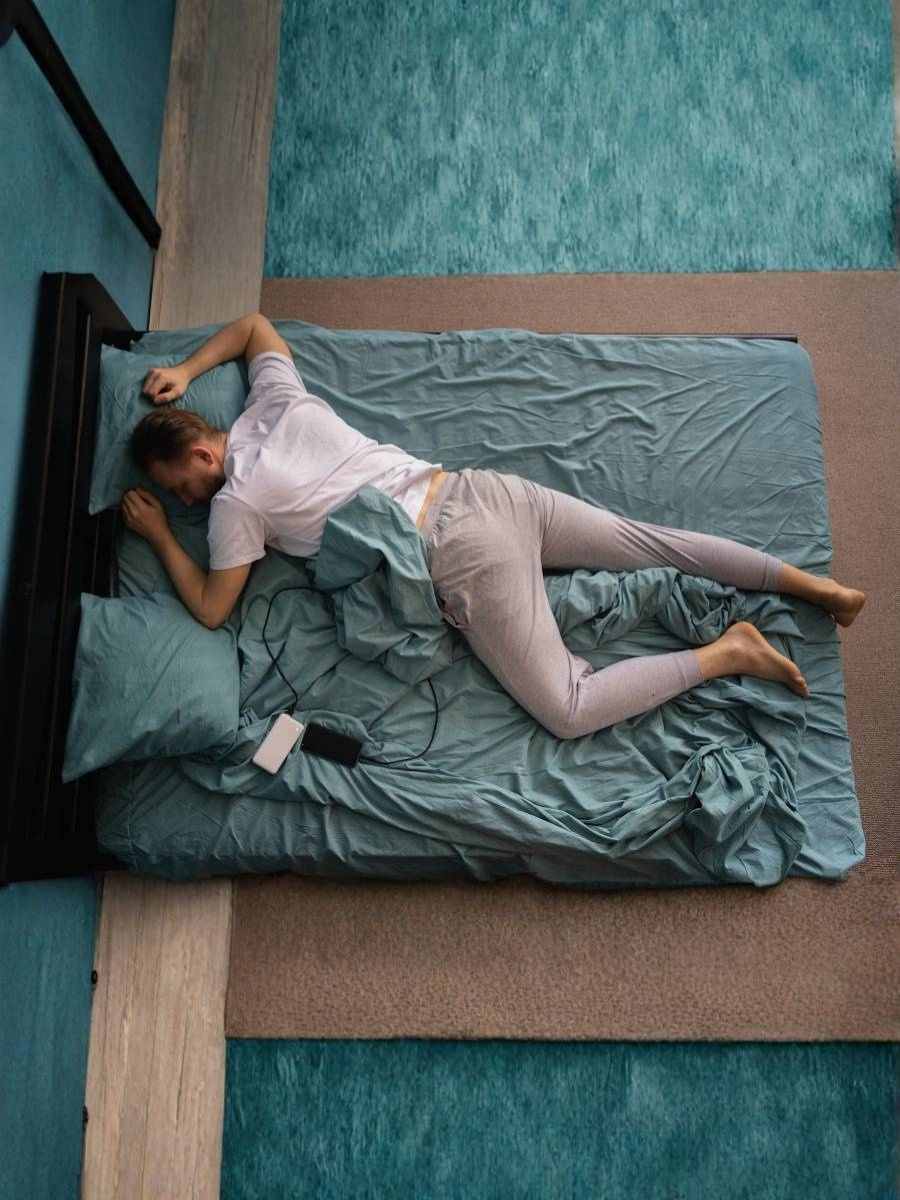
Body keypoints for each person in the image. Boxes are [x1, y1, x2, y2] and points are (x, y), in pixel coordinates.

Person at [122, 313, 866, 740]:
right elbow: (255, 327)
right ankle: (814, 587)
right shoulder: (276, 404)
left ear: (201, 454)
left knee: (568, 710)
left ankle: (730, 652)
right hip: (484, 491)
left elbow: (214, 608)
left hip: (461, 554)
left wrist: (159, 537)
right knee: (652, 542)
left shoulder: (236, 504)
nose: (185, 502)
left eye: (178, 486)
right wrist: (187, 370)